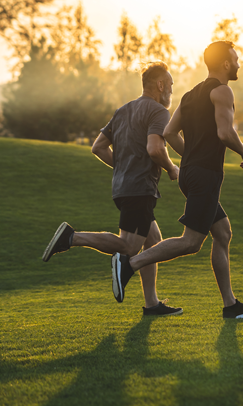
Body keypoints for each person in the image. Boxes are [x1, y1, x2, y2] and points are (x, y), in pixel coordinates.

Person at [111, 41, 243, 319]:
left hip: (190, 174)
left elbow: (168, 132)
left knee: (223, 232)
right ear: (225, 64)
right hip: (205, 176)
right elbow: (225, 133)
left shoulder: (190, 95)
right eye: (236, 59)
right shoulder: (222, 91)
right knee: (191, 242)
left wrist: (189, 157)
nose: (239, 63)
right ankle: (130, 264)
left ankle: (230, 305)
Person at [42, 61, 183, 317]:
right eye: (171, 85)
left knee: (153, 243)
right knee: (129, 247)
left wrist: (123, 168)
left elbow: (98, 147)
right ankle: (71, 238)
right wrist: (172, 169)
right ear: (160, 85)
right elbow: (155, 149)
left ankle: (151, 303)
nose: (172, 91)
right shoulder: (158, 112)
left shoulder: (122, 111)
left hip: (122, 187)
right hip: (140, 189)